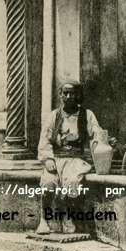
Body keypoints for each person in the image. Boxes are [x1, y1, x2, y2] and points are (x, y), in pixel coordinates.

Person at [37, 82, 104, 235]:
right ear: (60, 95)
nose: (69, 97)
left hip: (76, 160)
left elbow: (96, 133)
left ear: (78, 95)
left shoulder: (87, 115)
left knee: (72, 182)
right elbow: (44, 140)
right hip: (56, 159)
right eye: (65, 93)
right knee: (48, 183)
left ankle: (68, 217)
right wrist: (48, 160)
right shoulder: (54, 116)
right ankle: (44, 220)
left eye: (72, 93)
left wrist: (102, 138)